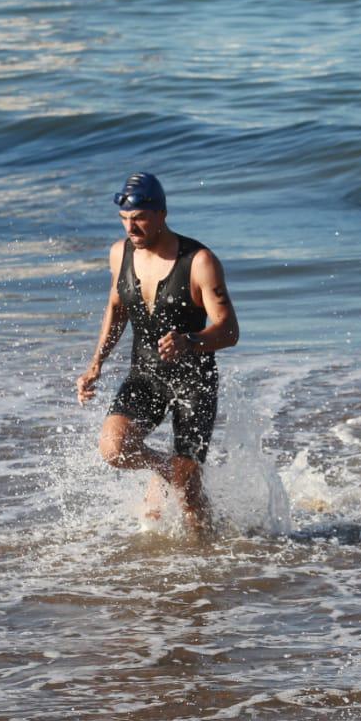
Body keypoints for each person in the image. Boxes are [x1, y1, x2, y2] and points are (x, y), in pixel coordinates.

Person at [76, 172, 239, 533]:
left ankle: (210, 566)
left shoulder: (199, 261)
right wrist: (96, 364)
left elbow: (230, 330)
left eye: (139, 219)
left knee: (190, 500)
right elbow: (116, 309)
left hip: (193, 381)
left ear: (162, 214)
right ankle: (168, 470)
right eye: (125, 220)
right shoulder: (120, 254)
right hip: (146, 374)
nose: (131, 228)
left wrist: (190, 341)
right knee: (114, 448)